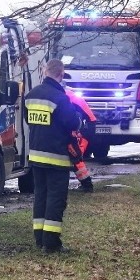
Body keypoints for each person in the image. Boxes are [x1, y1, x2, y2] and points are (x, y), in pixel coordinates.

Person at [24, 59, 81, 253]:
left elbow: (28, 120)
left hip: (36, 157)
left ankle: (39, 239)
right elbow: (73, 123)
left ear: (44, 71)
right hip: (56, 158)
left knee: (40, 197)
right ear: (61, 74)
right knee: (56, 199)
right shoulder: (60, 98)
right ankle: (52, 243)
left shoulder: (31, 95)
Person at [65, 87, 97, 192]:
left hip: (84, 130)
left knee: (76, 157)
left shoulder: (70, 98)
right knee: (73, 157)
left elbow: (88, 119)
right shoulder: (66, 95)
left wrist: (79, 133)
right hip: (81, 128)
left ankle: (87, 185)